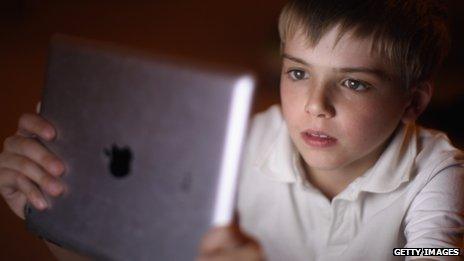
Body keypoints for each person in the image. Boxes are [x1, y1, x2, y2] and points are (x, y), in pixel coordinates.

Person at [1, 0, 463, 260]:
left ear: (414, 101)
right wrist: (54, 215)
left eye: (354, 82)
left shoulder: (439, 173)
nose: (315, 106)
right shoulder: (236, 144)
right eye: (299, 73)